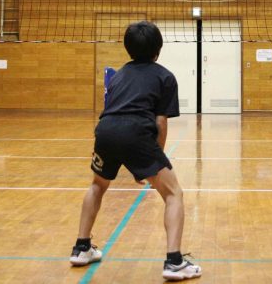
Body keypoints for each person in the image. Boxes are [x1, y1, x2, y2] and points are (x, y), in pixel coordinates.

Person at [70, 21, 202, 281]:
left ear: (128, 48)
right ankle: (174, 261)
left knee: (97, 185)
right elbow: (160, 123)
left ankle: (81, 248)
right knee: (174, 193)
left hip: (105, 131)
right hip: (137, 133)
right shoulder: (165, 77)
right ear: (158, 49)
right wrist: (154, 163)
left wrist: (143, 165)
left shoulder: (118, 75)